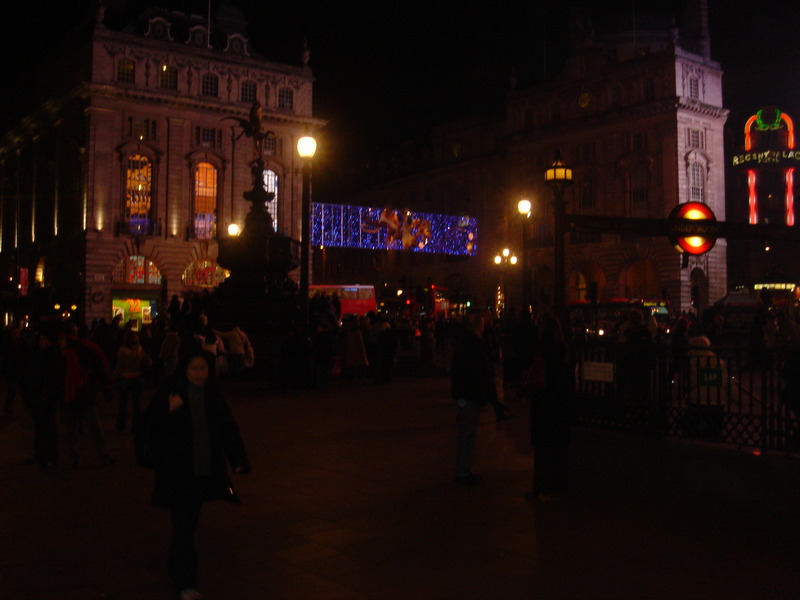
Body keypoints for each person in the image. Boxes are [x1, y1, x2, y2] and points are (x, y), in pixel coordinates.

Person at [142, 351, 250, 599]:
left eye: (203, 369)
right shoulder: (172, 392)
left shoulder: (213, 395)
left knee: (187, 526)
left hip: (202, 472)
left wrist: (238, 460)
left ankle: (175, 565)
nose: (199, 373)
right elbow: (146, 424)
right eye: (194, 368)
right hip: (177, 472)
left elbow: (227, 429)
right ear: (185, 370)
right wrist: (167, 411)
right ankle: (186, 582)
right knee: (182, 526)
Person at [525, 313, 571, 501]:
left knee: (542, 447)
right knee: (557, 447)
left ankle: (540, 486)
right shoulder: (563, 348)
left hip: (543, 401)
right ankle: (557, 485)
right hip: (559, 402)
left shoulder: (541, 348)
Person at [451, 313, 499, 485]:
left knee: (467, 433)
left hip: (464, 393)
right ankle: (462, 472)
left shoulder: (463, 343)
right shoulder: (475, 345)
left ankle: (463, 469)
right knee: (468, 434)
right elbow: (480, 372)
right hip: (470, 393)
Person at [59, 325, 115, 469]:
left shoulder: (77, 353)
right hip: (78, 396)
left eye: (62, 339)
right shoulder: (64, 355)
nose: (60, 342)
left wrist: (105, 386)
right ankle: (84, 457)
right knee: (76, 430)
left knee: (89, 428)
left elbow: (97, 369)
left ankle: (97, 455)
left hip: (81, 395)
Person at [24, 325, 62, 468]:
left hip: (45, 396)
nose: (41, 341)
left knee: (48, 427)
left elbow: (52, 378)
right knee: (39, 427)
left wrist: (46, 395)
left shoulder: (51, 356)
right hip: (37, 395)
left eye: (44, 339)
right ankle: (40, 455)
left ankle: (50, 457)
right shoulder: (39, 354)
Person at [113, 330, 153, 431]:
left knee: (123, 403)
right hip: (137, 377)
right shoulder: (140, 349)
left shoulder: (122, 351)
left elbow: (119, 367)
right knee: (137, 404)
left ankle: (121, 425)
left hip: (125, 377)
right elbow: (149, 362)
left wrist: (112, 377)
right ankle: (136, 425)